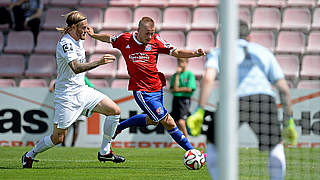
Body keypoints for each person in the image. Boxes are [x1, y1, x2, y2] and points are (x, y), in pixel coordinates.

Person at [187, 20, 298, 180]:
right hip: (263, 99)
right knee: (275, 145)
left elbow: (208, 79)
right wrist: (289, 121)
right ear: (249, 36)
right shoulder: (263, 52)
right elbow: (283, 89)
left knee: (213, 143)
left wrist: (200, 110)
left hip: (233, 100)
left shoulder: (220, 52)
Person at [21, 11, 125, 168]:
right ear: (73, 27)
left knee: (114, 110)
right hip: (67, 96)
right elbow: (76, 68)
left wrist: (92, 34)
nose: (86, 30)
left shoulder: (79, 38)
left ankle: (105, 151)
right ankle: (29, 155)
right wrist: (99, 62)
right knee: (58, 138)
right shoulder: (66, 43)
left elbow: (86, 35)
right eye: (83, 27)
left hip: (82, 90)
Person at [87, 17, 205, 152]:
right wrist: (93, 35)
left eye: (152, 33)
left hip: (157, 87)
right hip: (142, 91)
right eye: (147, 33)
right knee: (169, 122)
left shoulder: (156, 40)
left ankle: (119, 126)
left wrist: (194, 53)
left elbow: (176, 52)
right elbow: (109, 38)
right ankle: (192, 151)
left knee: (153, 120)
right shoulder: (125, 39)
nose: (150, 36)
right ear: (138, 30)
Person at [49, 76, 95, 147]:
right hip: (77, 104)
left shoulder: (68, 76)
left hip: (72, 104)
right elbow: (91, 87)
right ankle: (70, 144)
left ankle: (67, 144)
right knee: (73, 126)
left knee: (66, 125)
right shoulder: (81, 77)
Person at [170, 58, 196, 139]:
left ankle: (187, 140)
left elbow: (190, 89)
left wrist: (177, 89)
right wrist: (177, 75)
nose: (180, 64)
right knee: (176, 121)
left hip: (184, 99)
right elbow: (173, 89)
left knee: (181, 121)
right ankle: (182, 139)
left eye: (182, 62)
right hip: (176, 98)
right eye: (179, 62)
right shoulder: (175, 75)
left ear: (186, 63)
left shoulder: (189, 74)